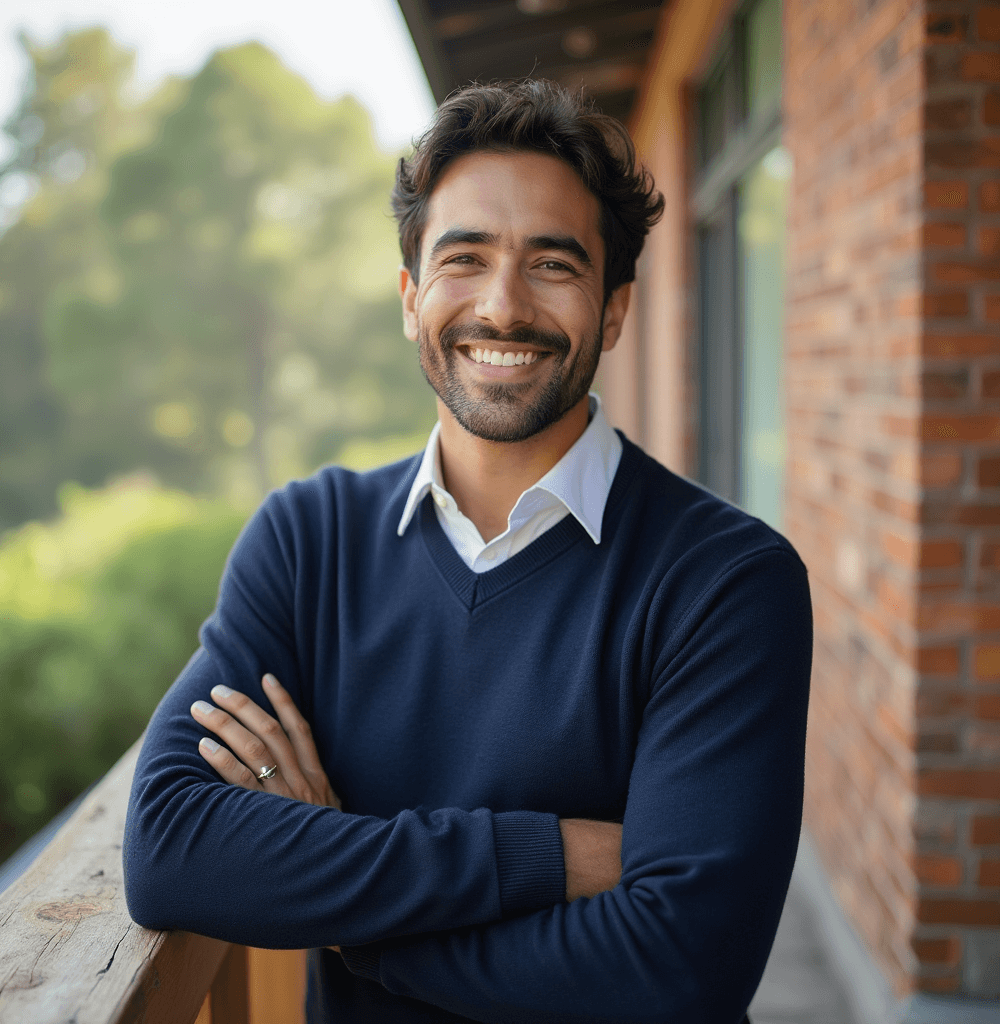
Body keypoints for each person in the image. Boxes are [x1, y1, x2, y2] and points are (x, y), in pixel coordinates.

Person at [123, 79, 811, 1024]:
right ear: (412, 300)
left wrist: (342, 894)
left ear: (613, 311)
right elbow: (168, 847)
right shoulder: (307, 539)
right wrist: (547, 857)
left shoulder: (726, 583)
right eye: (465, 257)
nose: (503, 305)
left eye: (554, 265)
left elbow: (680, 972)